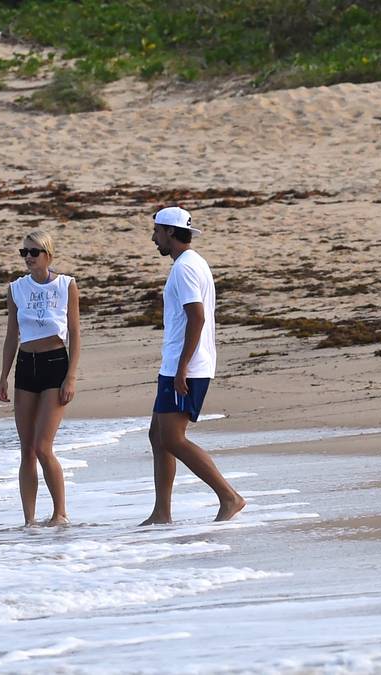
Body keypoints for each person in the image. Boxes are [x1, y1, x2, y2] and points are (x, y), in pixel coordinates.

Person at [140, 207, 246, 525]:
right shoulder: (191, 263)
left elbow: (196, 317)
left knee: (172, 438)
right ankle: (162, 512)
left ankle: (229, 496)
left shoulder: (185, 268)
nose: (153, 237)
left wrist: (183, 367)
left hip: (187, 366)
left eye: (157, 231)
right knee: (157, 435)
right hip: (176, 363)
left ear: (171, 232)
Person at [0, 230, 81, 527]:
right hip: (26, 364)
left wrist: (70, 377)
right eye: (24, 253)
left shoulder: (65, 285)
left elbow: (74, 333)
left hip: (55, 363)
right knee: (27, 449)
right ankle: (29, 520)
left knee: (44, 446)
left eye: (34, 252)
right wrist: (3, 377)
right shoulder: (16, 289)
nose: (29, 258)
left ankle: (60, 513)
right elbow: (11, 336)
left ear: (48, 254)